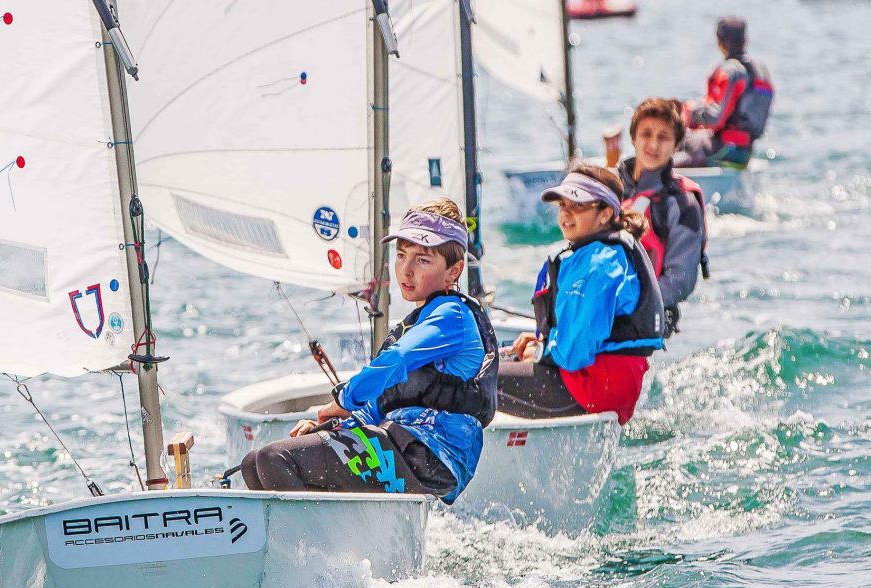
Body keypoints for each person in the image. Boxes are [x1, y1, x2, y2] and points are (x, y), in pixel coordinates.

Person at [241, 198, 499, 504]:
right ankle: (330, 542)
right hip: (403, 444)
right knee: (253, 463)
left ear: (454, 271)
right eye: (402, 256)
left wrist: (343, 398)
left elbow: (398, 359)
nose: (407, 269)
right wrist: (334, 424)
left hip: (432, 454)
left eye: (423, 260)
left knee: (275, 459)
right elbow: (383, 401)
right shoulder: (420, 322)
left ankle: (316, 550)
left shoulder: (452, 315)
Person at [497, 165, 663, 425]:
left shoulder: (599, 263)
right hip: (599, 382)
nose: (565, 213)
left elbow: (575, 353)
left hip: (592, 385)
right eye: (562, 205)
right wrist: (546, 341)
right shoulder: (599, 253)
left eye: (577, 205)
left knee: (471, 382)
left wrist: (541, 353)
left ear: (605, 213)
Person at [619, 97, 708, 337]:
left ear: (677, 145)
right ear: (633, 138)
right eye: (646, 134)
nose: (654, 145)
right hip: (605, 312)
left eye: (664, 137)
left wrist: (626, 305)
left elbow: (681, 280)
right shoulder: (611, 190)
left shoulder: (683, 204)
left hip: (647, 321)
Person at [675, 16, 774, 168]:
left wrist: (691, 112)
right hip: (745, 151)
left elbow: (715, 119)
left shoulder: (730, 71)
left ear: (720, 42)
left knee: (673, 141)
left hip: (724, 149)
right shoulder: (761, 71)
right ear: (745, 40)